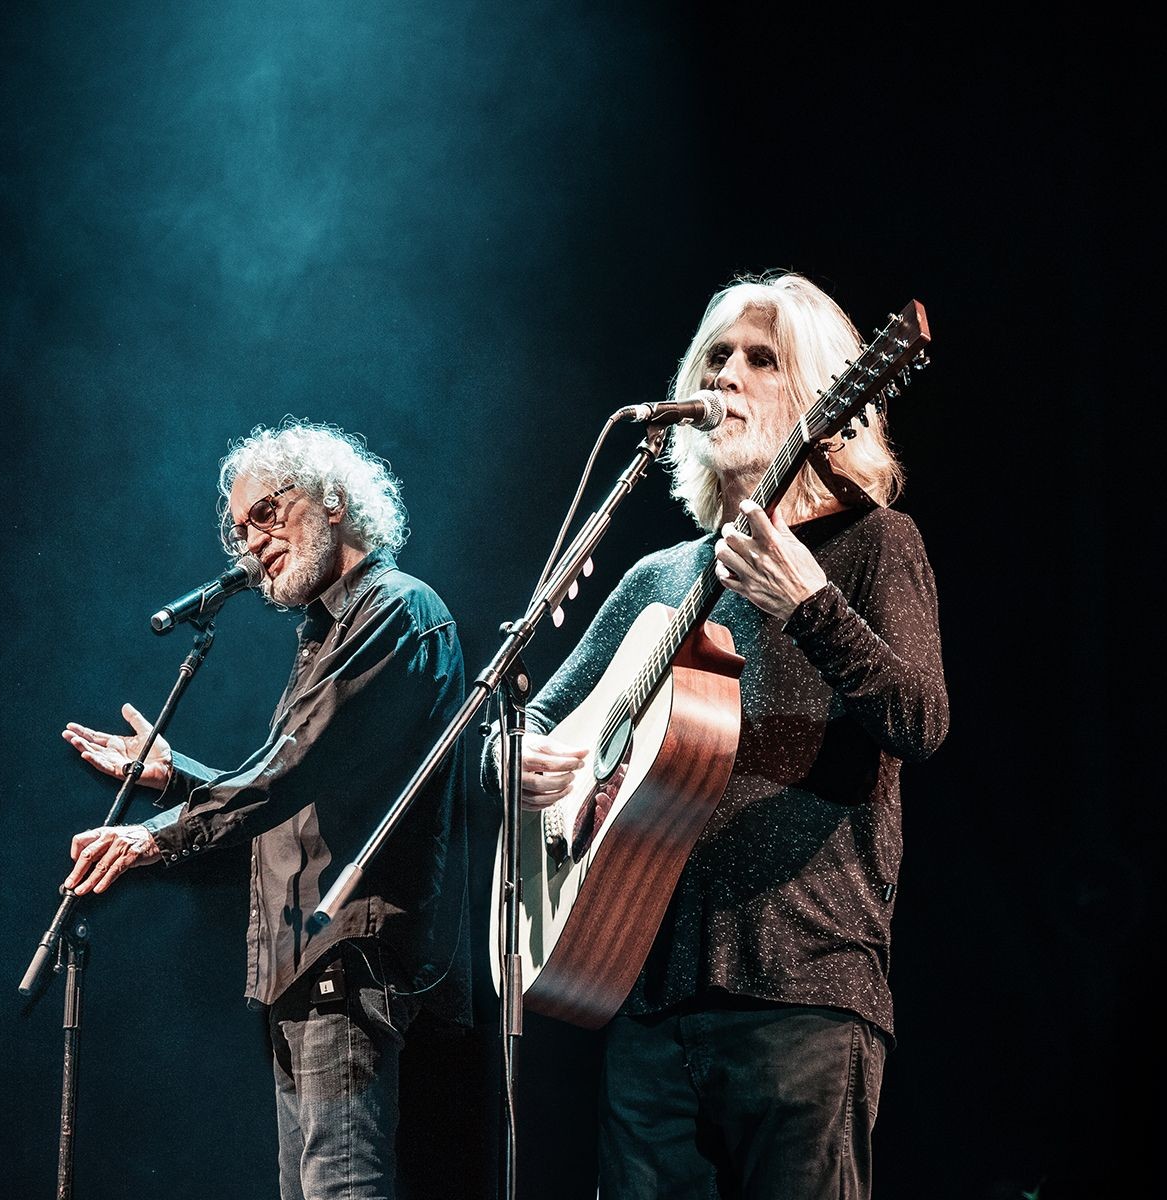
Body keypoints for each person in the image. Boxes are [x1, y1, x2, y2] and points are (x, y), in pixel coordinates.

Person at [501, 273, 949, 1198]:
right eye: (715, 358)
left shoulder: (875, 544)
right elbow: (533, 719)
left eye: (761, 359)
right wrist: (521, 760)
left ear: (825, 395)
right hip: (645, 986)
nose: (729, 377)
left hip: (805, 992)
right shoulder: (662, 577)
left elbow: (921, 721)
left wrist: (812, 606)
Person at [62, 419, 470, 1200]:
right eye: (240, 528)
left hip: (347, 967)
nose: (251, 542)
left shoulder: (397, 612)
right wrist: (175, 776)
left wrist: (157, 837)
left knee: (340, 1188)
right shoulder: (328, 630)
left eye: (269, 513)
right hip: (304, 973)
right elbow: (292, 791)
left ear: (335, 500)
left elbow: (287, 770)